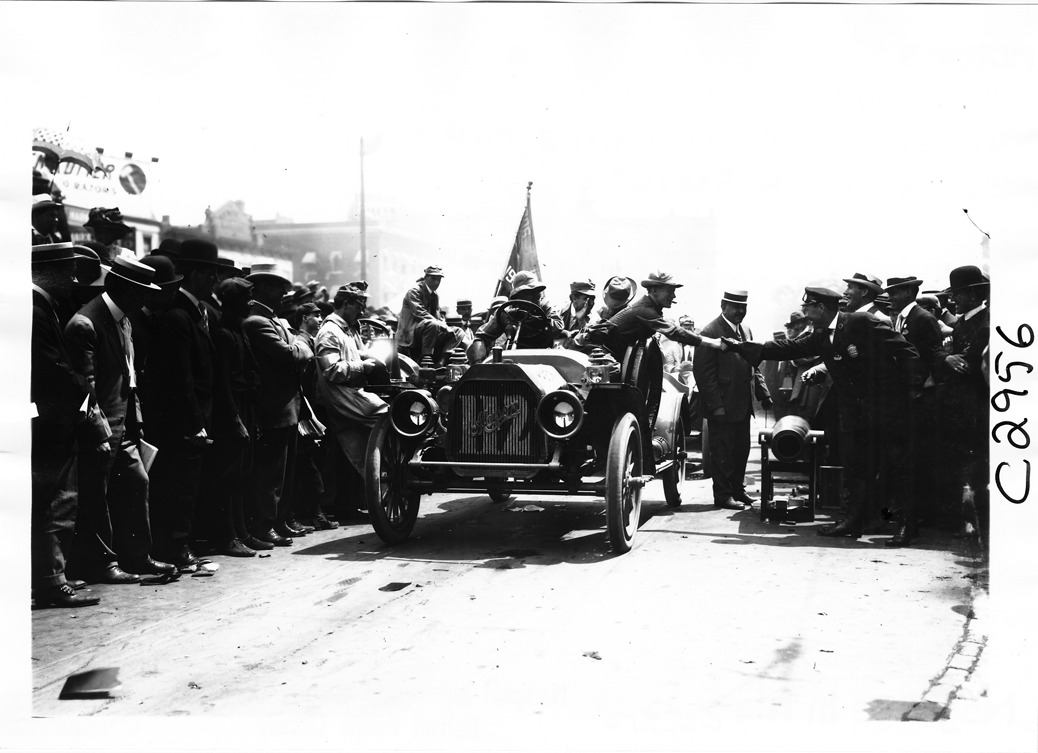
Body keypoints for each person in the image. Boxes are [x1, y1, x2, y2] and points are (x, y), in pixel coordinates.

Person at [729, 287, 924, 543]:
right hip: (855, 414)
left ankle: (906, 526)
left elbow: (906, 351)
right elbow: (789, 348)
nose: (805, 313)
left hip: (887, 410)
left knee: (896, 468)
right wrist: (741, 347)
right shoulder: (821, 335)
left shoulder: (861, 322)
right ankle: (853, 521)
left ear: (821, 308)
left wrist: (911, 392)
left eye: (808, 307)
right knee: (856, 469)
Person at [65, 258, 176, 581]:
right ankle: (103, 564)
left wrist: (135, 419)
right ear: (122, 289)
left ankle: (138, 557)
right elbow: (85, 389)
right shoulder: (86, 324)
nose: (146, 299)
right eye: (141, 292)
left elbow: (129, 376)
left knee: (137, 483)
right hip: (98, 430)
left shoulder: (123, 319)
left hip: (123, 426)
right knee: (95, 497)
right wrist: (98, 433)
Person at [31, 243, 111, 607]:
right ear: (47, 272)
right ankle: (51, 583)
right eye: (68, 273)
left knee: (55, 503)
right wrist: (84, 389)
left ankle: (54, 576)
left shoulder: (40, 306)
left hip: (50, 421)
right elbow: (51, 369)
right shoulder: (35, 309)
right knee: (52, 504)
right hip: (48, 424)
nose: (74, 281)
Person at [147, 239, 222, 567]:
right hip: (184, 422)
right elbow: (181, 378)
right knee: (179, 486)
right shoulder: (179, 316)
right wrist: (195, 422)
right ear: (194, 275)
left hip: (196, 417)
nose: (215, 281)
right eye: (210, 274)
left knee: (189, 484)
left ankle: (180, 543)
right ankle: (175, 547)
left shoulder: (195, 313)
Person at [243, 262, 315, 545]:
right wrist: (302, 341)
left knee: (284, 472)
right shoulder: (257, 322)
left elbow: (297, 351)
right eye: (276, 287)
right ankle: (264, 525)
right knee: (270, 473)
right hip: (274, 407)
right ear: (260, 288)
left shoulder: (273, 321)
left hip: (287, 406)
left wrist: (298, 344)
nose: (283, 293)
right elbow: (292, 354)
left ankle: (279, 520)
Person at [198, 277, 262, 556]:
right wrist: (236, 419)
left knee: (243, 474)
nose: (250, 303)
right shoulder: (223, 334)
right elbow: (222, 382)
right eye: (246, 299)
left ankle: (241, 532)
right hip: (230, 409)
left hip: (244, 405)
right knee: (228, 476)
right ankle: (227, 537)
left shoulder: (238, 330)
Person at [692, 290, 771, 510]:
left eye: (743, 307)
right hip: (722, 406)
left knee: (741, 449)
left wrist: (763, 392)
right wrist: (716, 405)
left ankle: (738, 490)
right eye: (736, 307)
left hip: (742, 404)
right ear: (723, 306)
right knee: (722, 451)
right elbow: (703, 374)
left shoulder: (746, 330)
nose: (740, 311)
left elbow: (753, 364)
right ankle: (723, 495)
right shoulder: (710, 332)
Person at [314, 285, 389, 515]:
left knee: (356, 447)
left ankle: (361, 497)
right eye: (358, 306)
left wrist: (366, 355)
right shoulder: (330, 331)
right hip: (342, 395)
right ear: (345, 304)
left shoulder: (345, 329)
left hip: (351, 392)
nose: (362, 311)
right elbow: (332, 370)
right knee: (389, 416)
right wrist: (362, 366)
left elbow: (350, 354)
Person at [884, 275, 950, 532]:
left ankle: (912, 520)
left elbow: (934, 356)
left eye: (895, 292)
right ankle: (906, 516)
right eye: (889, 293)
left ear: (910, 292)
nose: (890, 297)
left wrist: (920, 389)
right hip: (902, 398)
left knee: (912, 460)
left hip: (918, 399)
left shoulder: (923, 318)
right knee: (901, 459)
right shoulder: (901, 318)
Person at [933, 266, 990, 541]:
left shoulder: (984, 325)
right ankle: (964, 521)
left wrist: (947, 357)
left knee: (973, 465)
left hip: (973, 405)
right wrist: (947, 357)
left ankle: (975, 524)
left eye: (957, 294)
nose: (953, 299)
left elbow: (966, 365)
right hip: (959, 404)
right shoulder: (965, 322)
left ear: (973, 295)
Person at [578, 271, 726, 362]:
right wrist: (713, 343)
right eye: (670, 291)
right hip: (598, 355)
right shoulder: (644, 310)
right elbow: (674, 332)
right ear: (654, 290)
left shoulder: (649, 308)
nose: (673, 296)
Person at [467, 271, 565, 362]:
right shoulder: (506, 312)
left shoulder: (545, 306)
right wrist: (478, 363)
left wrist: (536, 321)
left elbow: (558, 326)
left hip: (542, 355)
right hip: (514, 356)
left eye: (537, 291)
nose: (536, 295)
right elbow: (482, 337)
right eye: (529, 292)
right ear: (518, 295)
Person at [395, 265, 461, 365]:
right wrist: (441, 325)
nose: (436, 282)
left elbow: (437, 316)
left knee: (457, 332)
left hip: (426, 330)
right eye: (433, 279)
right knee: (433, 324)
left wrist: (445, 326)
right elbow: (419, 312)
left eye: (439, 279)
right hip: (410, 332)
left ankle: (442, 361)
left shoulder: (435, 295)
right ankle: (426, 359)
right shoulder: (414, 291)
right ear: (425, 278)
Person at [557, 279, 596, 348]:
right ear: (574, 298)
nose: (591, 303)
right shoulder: (559, 312)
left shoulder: (595, 319)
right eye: (586, 299)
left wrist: (582, 321)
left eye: (593, 299)